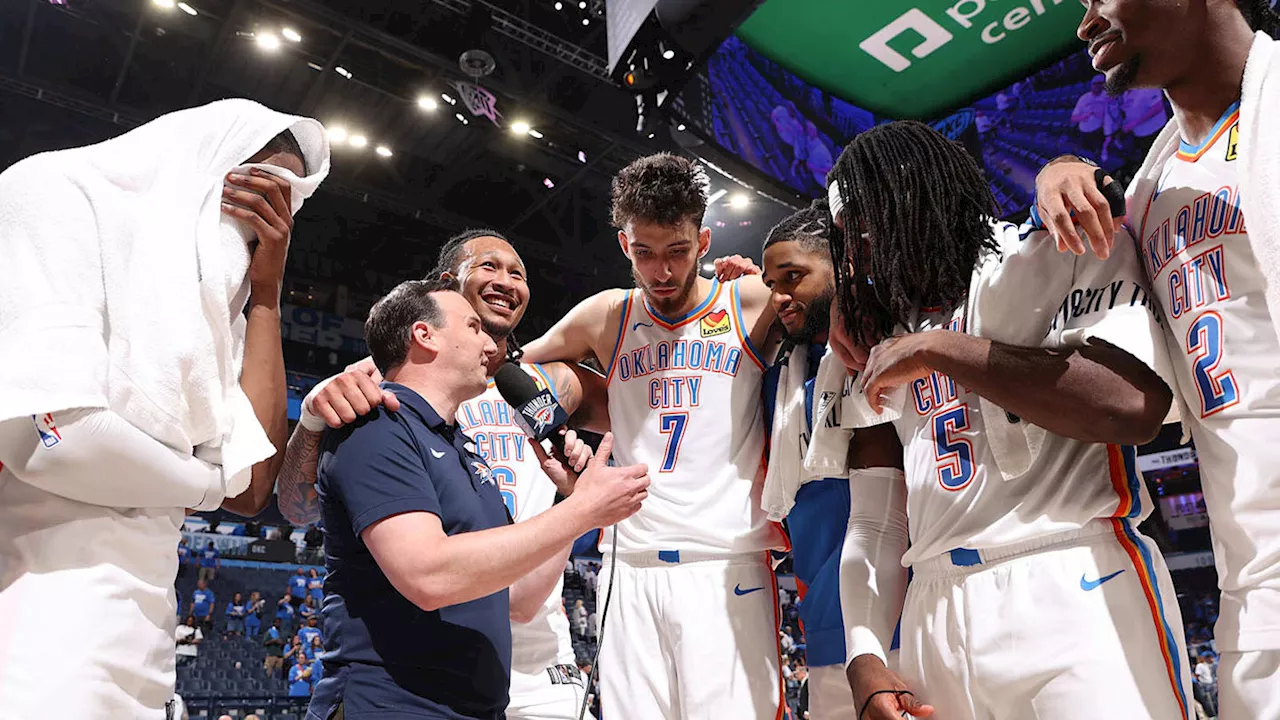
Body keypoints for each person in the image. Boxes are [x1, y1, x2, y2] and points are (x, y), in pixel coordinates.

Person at [824, 121, 1190, 720]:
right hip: (932, 607)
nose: (861, 251)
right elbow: (875, 521)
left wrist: (941, 349)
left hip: (1074, 577)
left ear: (926, 195)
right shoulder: (867, 329)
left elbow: (1128, 405)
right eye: (847, 238)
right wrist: (863, 651)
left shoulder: (1050, 246)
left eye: (870, 225)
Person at [0, 99, 331, 717]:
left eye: (280, 218)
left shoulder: (209, 310)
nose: (261, 229)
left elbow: (255, 486)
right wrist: (203, 484)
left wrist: (267, 294)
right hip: (39, 603)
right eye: (254, 201)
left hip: (147, 627)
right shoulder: (54, 191)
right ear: (204, 166)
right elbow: (51, 439)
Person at [1033, 3, 1280, 718]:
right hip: (1252, 589)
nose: (1086, 24)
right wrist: (1061, 166)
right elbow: (1135, 397)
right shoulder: (1150, 190)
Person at [276, 229, 615, 720]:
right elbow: (299, 508)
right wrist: (309, 425)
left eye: (517, 272)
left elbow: (653, 395)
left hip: (529, 650)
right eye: (489, 267)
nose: (506, 281)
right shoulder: (379, 386)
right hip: (410, 666)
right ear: (445, 284)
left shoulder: (549, 382)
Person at [517, 153, 788, 718]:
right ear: (624, 246)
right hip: (627, 561)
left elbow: (831, 295)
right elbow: (506, 364)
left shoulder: (748, 301)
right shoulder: (607, 316)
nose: (661, 272)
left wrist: (767, 271)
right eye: (645, 253)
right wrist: (553, 416)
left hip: (725, 561)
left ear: (705, 240)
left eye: (677, 251)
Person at [715, 199, 906, 719]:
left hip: (907, 617)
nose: (778, 297)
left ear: (842, 266)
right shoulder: (784, 374)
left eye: (793, 278)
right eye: (772, 284)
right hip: (823, 626)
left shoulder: (888, 347)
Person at [1071, 76, 1112, 159]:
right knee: (1078, 152)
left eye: (1100, 84)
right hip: (1083, 130)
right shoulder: (1084, 98)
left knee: (1097, 153)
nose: (1098, 86)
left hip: (1098, 131)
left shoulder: (1107, 96)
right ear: (1091, 85)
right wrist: (1085, 116)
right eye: (1095, 84)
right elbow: (1073, 118)